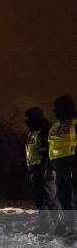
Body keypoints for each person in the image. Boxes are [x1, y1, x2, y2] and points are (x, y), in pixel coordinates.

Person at [24, 106, 59, 231]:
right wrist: (29, 169)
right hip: (34, 168)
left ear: (36, 118)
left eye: (29, 118)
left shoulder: (46, 129)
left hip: (45, 168)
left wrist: (49, 168)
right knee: (40, 200)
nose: (26, 121)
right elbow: (30, 152)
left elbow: (51, 151)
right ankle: (44, 226)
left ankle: (60, 226)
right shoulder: (32, 132)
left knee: (50, 199)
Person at [47, 95, 77, 235]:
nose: (55, 112)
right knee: (62, 195)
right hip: (58, 164)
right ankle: (69, 225)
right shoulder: (54, 126)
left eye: (57, 109)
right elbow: (51, 146)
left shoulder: (75, 123)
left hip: (73, 162)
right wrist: (49, 166)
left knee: (74, 195)